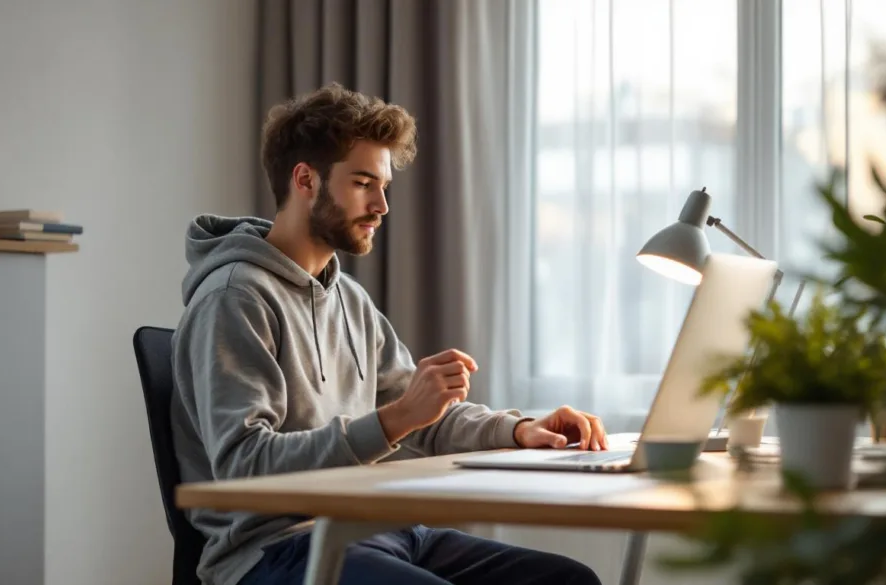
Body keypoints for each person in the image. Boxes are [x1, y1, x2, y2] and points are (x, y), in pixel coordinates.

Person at [170, 82, 609, 585]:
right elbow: (245, 466)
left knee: (567, 581)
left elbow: (425, 419)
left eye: (383, 186)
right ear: (305, 179)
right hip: (276, 550)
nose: (381, 205)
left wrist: (520, 430)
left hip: (377, 527)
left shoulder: (349, 299)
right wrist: (397, 417)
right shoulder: (233, 298)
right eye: (363, 183)